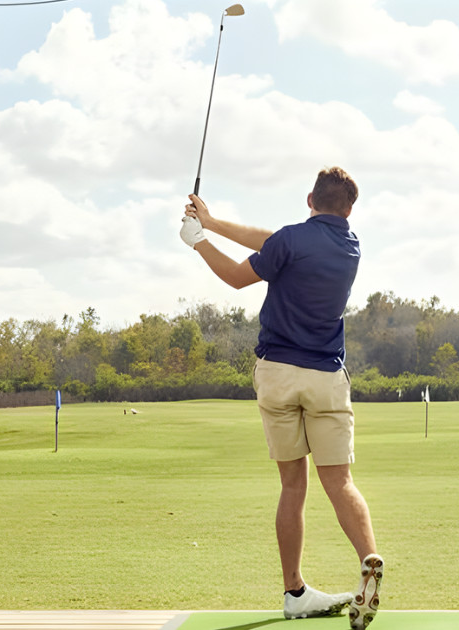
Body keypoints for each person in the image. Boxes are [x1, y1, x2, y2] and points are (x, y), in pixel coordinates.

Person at [179, 167, 383, 629]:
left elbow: (236, 274)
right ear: (349, 209)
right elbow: (269, 241)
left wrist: (198, 241)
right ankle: (369, 556)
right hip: (326, 377)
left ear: (309, 198)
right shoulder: (349, 246)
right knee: (340, 482)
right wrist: (211, 222)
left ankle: (294, 591)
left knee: (293, 485)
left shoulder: (289, 241)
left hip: (277, 375)